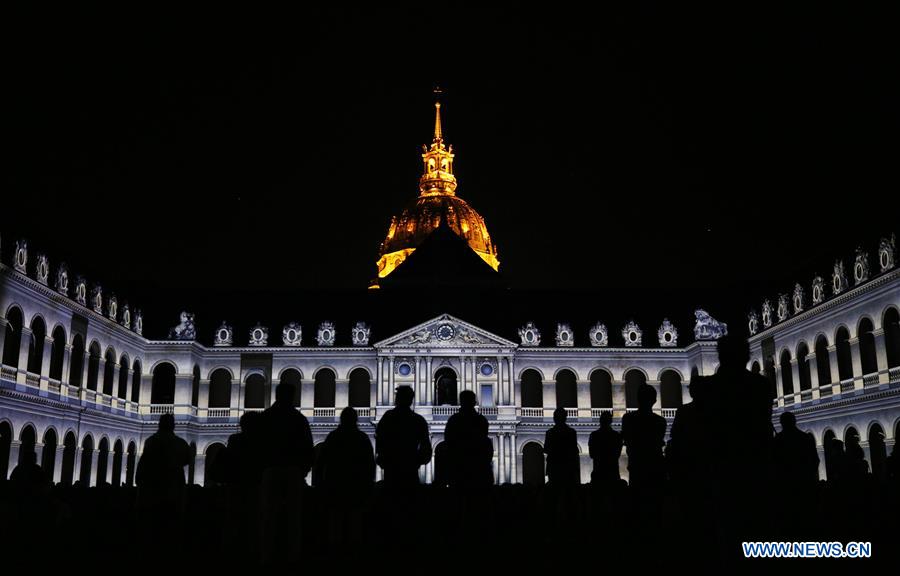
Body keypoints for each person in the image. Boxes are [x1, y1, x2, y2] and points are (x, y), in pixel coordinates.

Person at [259, 382, 314, 566]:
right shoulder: (299, 419)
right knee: (293, 518)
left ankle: (267, 556)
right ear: (292, 396)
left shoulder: (266, 418)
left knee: (268, 516)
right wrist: (302, 471)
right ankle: (293, 556)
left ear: (277, 395)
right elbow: (308, 448)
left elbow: (257, 447)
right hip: (292, 472)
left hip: (271, 471)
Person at [135, 413, 192, 556]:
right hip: (174, 491)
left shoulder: (151, 441)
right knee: (171, 531)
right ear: (173, 425)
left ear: (159, 424)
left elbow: (143, 466)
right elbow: (187, 460)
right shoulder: (180, 443)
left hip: (152, 491)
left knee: (153, 531)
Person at [375, 385, 432, 486]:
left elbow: (379, 442)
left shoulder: (388, 418)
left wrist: (384, 460)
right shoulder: (418, 420)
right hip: (410, 471)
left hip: (392, 471)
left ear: (397, 399)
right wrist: (416, 462)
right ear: (411, 400)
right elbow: (426, 450)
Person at [620, 384, 667, 492]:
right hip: (655, 468)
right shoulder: (660, 421)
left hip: (636, 466)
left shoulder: (628, 419)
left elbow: (627, 440)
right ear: (654, 400)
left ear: (638, 399)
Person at [444, 390, 493, 489]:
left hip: (459, 473)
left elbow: (449, 446)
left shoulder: (454, 420)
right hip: (479, 474)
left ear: (460, 402)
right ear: (474, 402)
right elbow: (486, 448)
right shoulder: (481, 421)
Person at [773, 412, 819, 489]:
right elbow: (815, 460)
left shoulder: (778, 440)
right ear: (794, 421)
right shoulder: (805, 438)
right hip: (805, 482)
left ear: (782, 424)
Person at [544, 407, 580, 486]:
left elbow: (546, 449)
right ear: (565, 418)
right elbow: (574, 452)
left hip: (554, 467)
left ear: (554, 418)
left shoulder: (550, 433)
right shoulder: (571, 432)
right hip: (568, 468)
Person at [588, 411, 622, 485]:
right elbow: (617, 455)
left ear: (600, 420)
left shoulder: (594, 435)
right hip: (613, 474)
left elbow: (591, 454)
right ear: (611, 421)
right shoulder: (616, 436)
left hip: (598, 473)